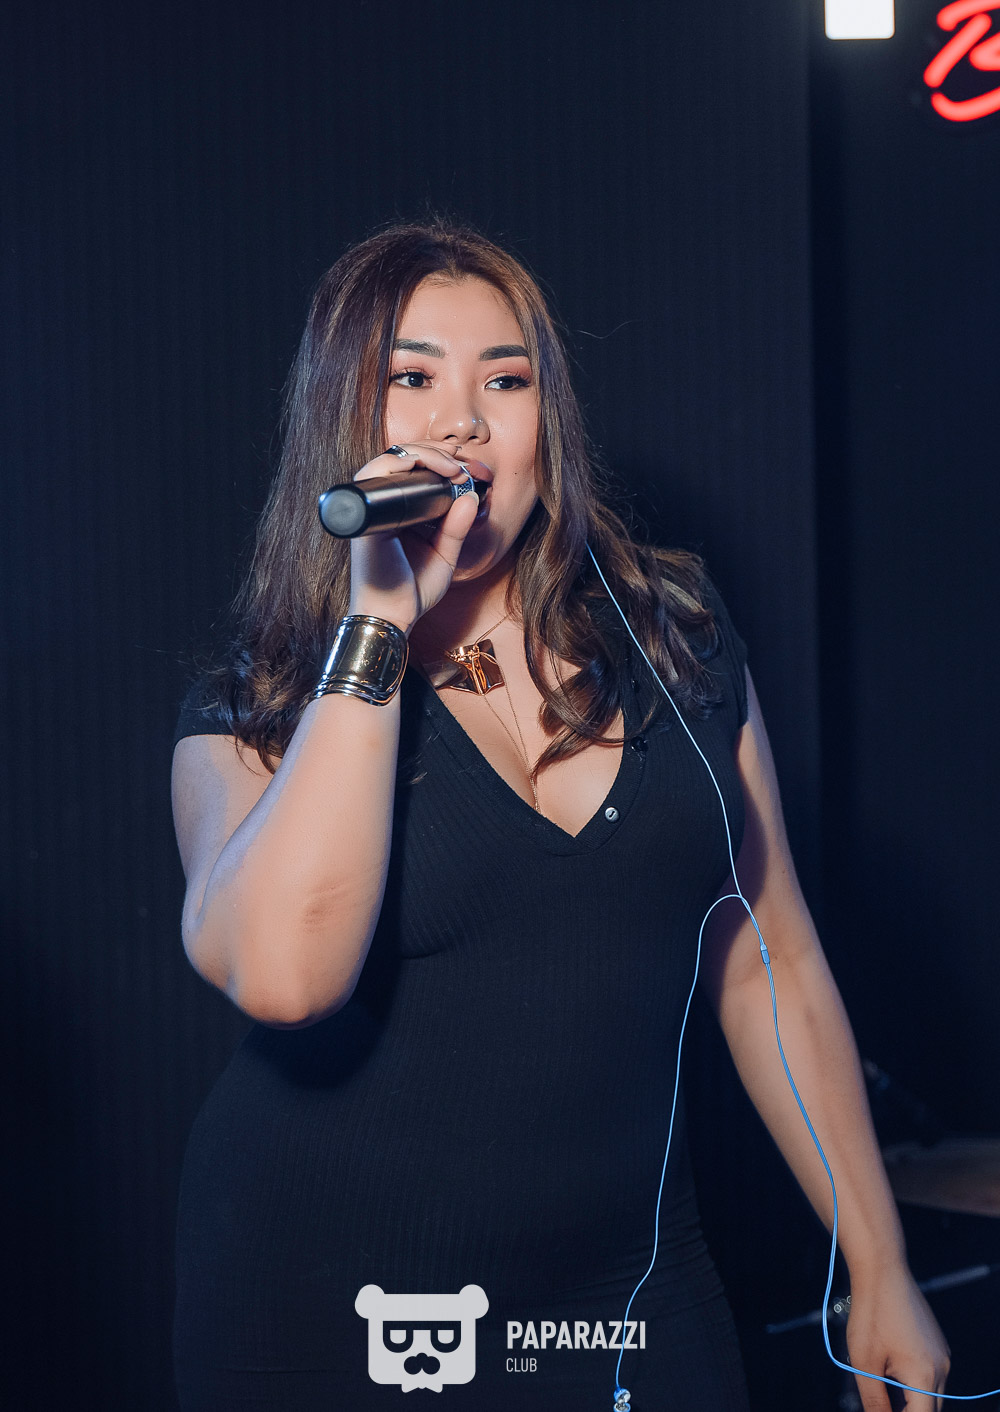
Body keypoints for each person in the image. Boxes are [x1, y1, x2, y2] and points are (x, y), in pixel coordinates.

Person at [170, 217, 950, 1411]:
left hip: (626, 1292)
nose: (464, 423)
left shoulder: (674, 632)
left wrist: (878, 1258)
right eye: (413, 379)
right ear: (343, 420)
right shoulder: (263, 697)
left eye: (506, 381)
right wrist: (378, 624)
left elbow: (767, 956)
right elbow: (285, 979)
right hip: (339, 1308)